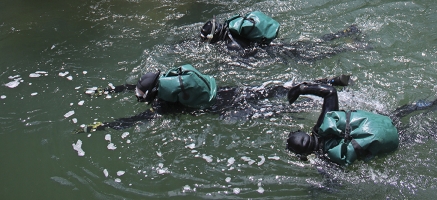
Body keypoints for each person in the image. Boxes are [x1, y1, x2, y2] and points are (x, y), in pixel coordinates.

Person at [83, 72, 351, 133]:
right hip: (225, 92)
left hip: (224, 107)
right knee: (270, 91)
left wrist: (102, 126)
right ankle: (329, 81)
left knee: (270, 109)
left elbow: (136, 120)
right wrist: (111, 90)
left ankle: (312, 103)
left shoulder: (164, 105)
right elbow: (136, 86)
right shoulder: (170, 78)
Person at [286, 82, 437, 166]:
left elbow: (333, 185)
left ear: (303, 155)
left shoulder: (326, 161)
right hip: (378, 121)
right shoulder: (321, 127)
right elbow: (330, 92)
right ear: (305, 133)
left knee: (430, 132)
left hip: (381, 139)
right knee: (407, 109)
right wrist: (302, 88)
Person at [200, 12, 363, 57]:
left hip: (274, 51)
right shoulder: (233, 25)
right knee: (312, 43)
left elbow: (251, 58)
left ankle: (351, 47)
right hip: (273, 43)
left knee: (313, 54)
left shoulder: (232, 45)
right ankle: (345, 33)